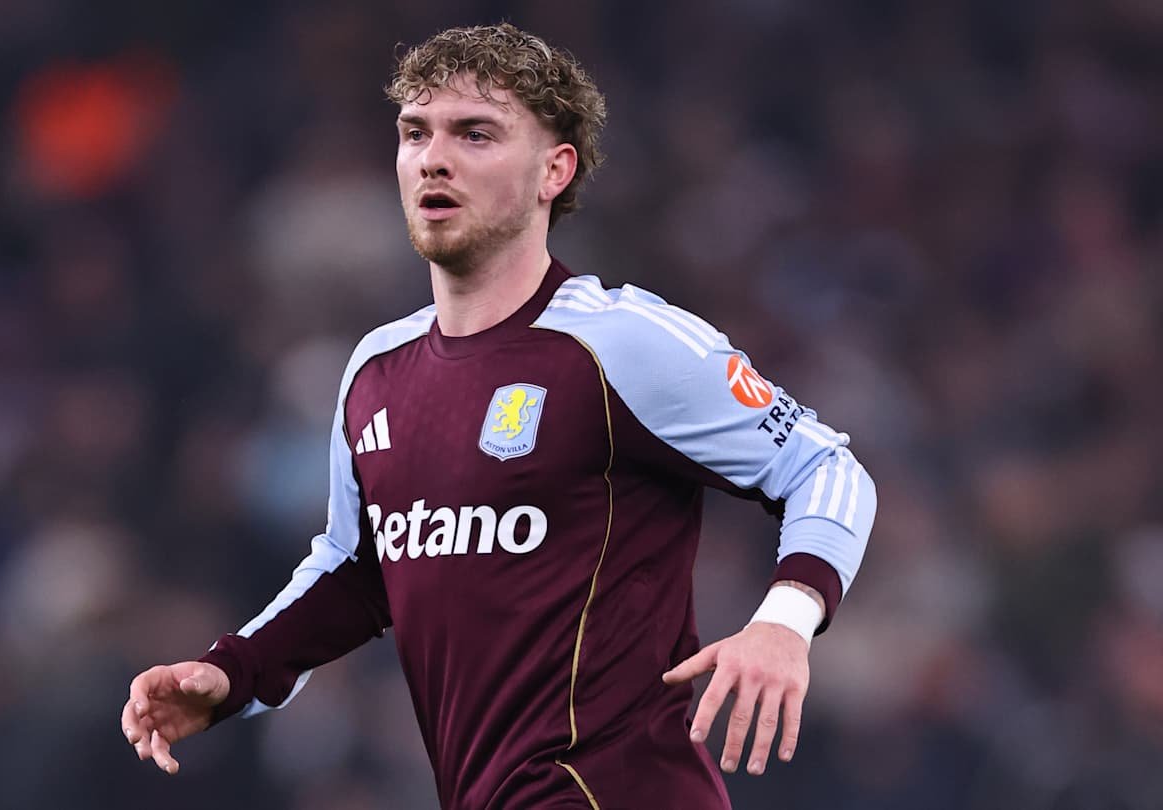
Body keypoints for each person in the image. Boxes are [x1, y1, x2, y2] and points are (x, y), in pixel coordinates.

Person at [120, 22, 876, 810]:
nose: (434, 158)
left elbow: (826, 467)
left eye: (475, 134)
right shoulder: (377, 373)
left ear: (555, 169)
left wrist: (785, 622)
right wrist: (232, 673)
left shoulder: (620, 343)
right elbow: (359, 570)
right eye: (417, 133)